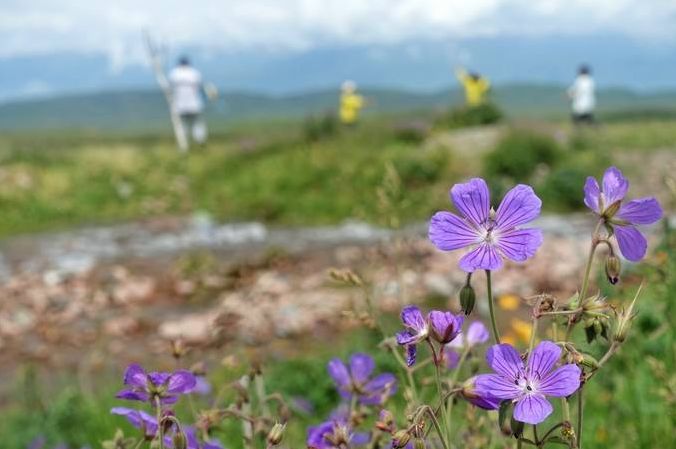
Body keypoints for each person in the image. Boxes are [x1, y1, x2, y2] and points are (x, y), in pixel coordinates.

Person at [168, 56, 208, 147]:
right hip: (194, 103)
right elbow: (201, 86)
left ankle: (183, 144)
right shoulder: (195, 73)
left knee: (182, 125)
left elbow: (169, 88)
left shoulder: (174, 73)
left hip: (179, 103)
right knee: (197, 123)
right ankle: (200, 141)